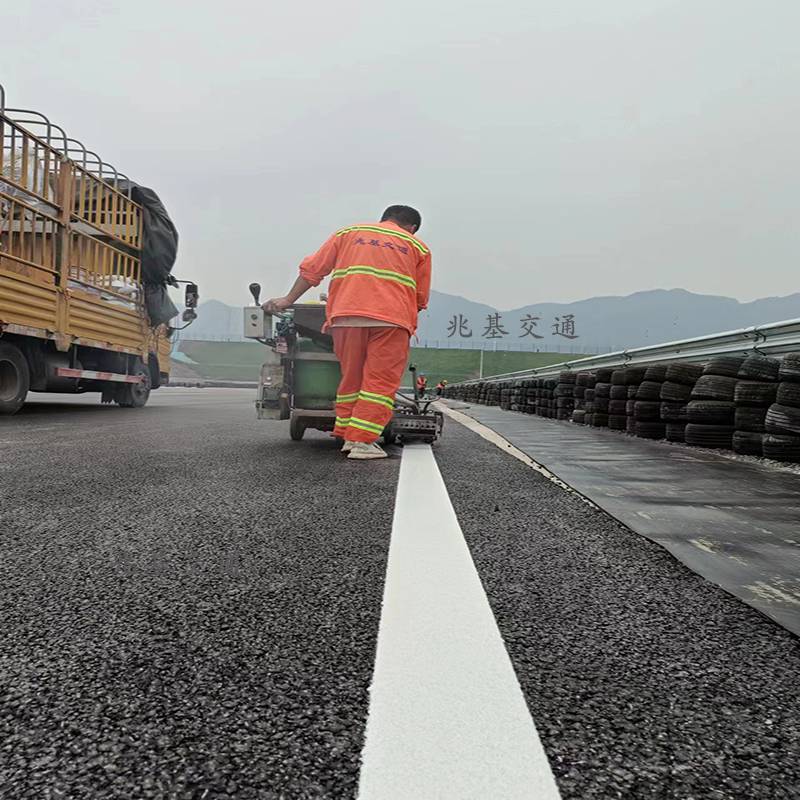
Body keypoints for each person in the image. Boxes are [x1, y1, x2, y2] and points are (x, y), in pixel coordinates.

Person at [263, 205, 431, 460]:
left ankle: (346, 431)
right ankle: (361, 442)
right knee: (379, 383)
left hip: (345, 317)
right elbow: (420, 298)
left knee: (351, 377)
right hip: (390, 321)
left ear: (384, 219)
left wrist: (287, 299)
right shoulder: (417, 246)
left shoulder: (349, 233)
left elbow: (312, 270)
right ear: (412, 228)